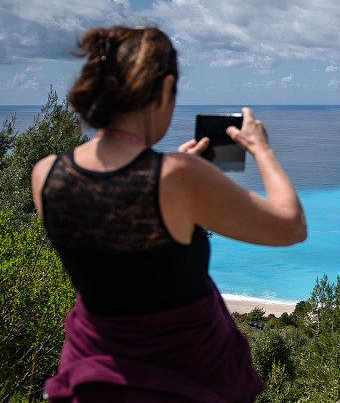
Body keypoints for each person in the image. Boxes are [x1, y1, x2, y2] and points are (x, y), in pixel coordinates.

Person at [29, 26, 307, 402]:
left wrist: (166, 174)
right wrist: (261, 149)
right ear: (164, 90)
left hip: (92, 375)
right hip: (185, 378)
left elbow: (113, 241)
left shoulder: (46, 174)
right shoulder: (177, 177)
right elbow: (290, 225)